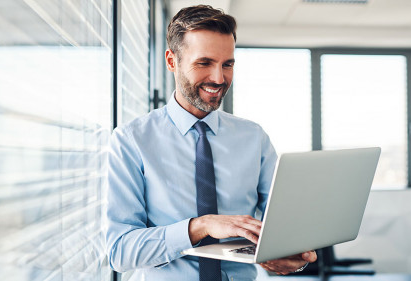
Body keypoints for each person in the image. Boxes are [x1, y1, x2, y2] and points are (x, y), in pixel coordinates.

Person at [105, 4, 317, 281]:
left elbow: (282, 229)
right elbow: (120, 252)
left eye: (227, 64)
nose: (219, 78)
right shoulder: (131, 140)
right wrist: (200, 226)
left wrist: (292, 257)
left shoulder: (253, 138)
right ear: (172, 61)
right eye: (204, 63)